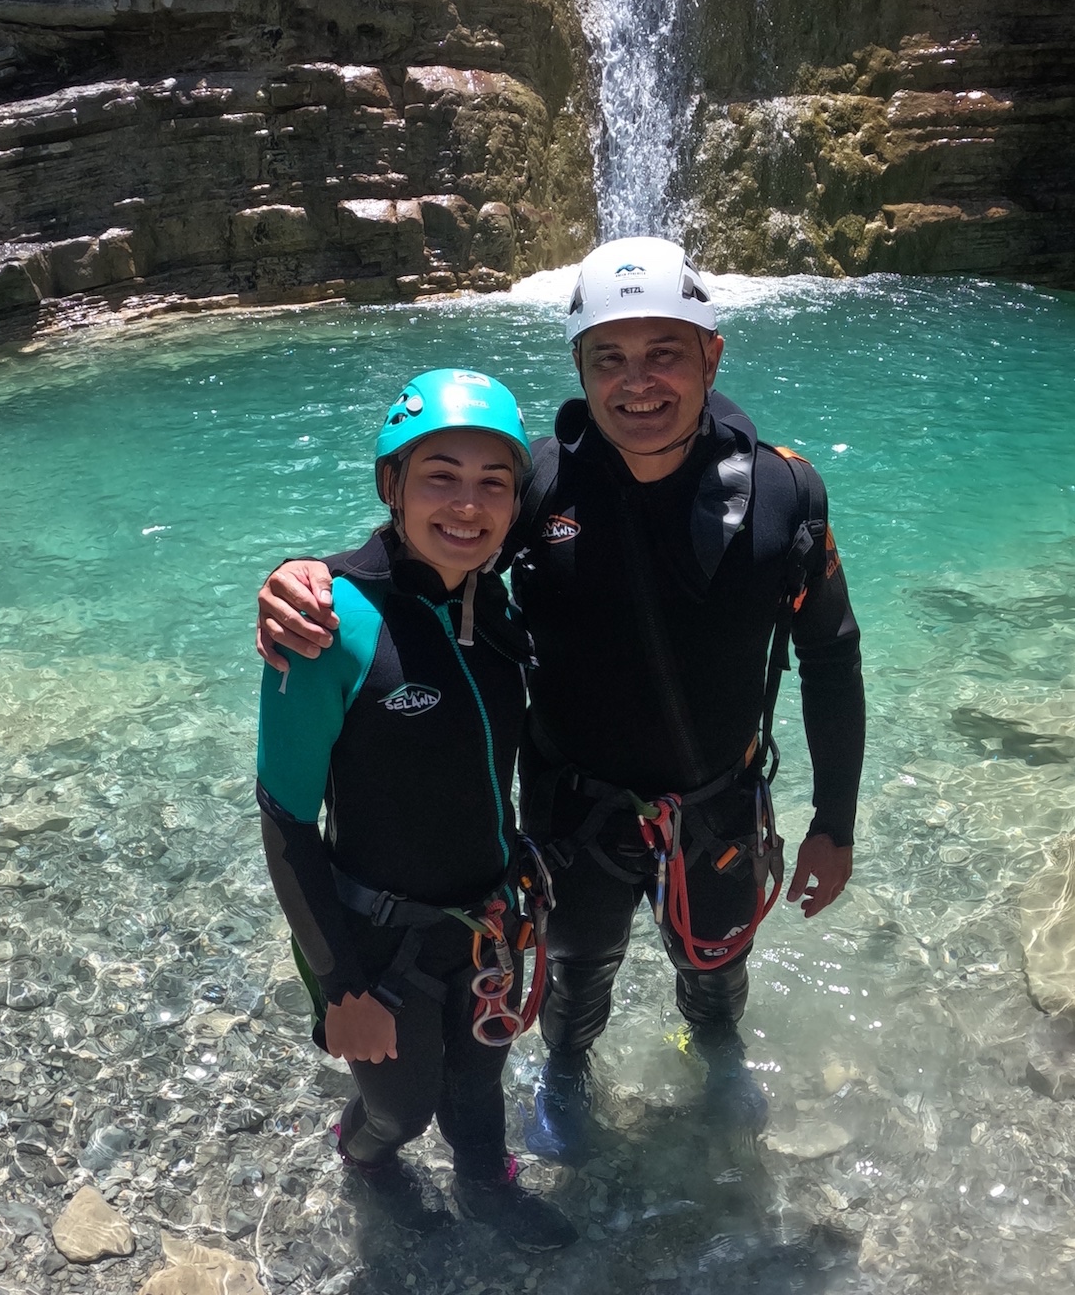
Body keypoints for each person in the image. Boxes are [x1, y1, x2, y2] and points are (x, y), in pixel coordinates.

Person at [259, 239, 865, 1163]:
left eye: (664, 352)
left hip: (719, 802)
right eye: (609, 357)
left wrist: (835, 821)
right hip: (575, 811)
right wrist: (307, 576)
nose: (638, 383)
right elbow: (424, 562)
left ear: (712, 355)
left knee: (716, 964)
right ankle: (568, 1070)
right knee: (578, 973)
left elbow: (831, 655)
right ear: (579, 366)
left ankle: (715, 1051)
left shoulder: (785, 493)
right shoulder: (537, 484)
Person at [256, 367, 576, 1250]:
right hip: (379, 941)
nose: (467, 506)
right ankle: (363, 1157)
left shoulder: (496, 603)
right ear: (390, 484)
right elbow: (285, 819)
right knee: (401, 1106)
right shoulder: (326, 625)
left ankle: (486, 1183)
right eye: (440, 476)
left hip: (488, 923)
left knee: (479, 1083)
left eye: (493, 484)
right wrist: (343, 987)